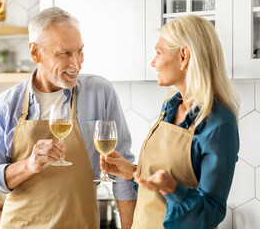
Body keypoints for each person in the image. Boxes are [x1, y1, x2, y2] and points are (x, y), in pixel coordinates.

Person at [0, 7, 137, 229]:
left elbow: (124, 174)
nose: (77, 64)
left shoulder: (100, 93)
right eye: (65, 54)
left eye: (79, 51)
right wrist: (29, 165)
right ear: (35, 53)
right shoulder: (7, 105)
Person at [100, 15, 239, 229]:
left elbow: (211, 213)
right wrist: (131, 172)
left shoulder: (219, 123)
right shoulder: (170, 107)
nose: (153, 62)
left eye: (158, 52)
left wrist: (171, 188)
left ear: (183, 56)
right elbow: (157, 194)